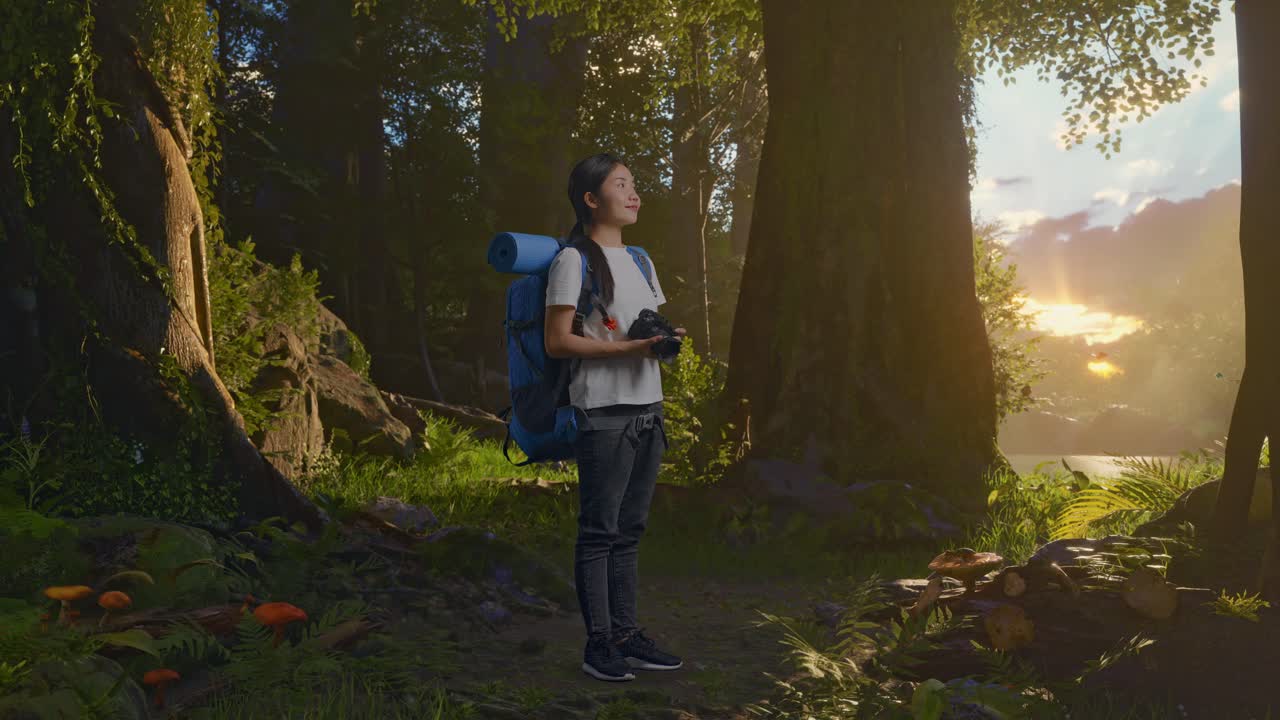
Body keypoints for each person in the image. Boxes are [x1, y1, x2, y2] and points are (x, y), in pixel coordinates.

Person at [544, 152, 686, 682]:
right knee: (600, 531)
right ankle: (598, 644)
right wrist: (629, 350)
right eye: (621, 184)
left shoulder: (641, 260)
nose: (634, 194)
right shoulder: (572, 262)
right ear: (590, 198)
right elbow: (558, 342)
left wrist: (663, 340)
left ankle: (627, 635)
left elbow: (643, 326)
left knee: (631, 530)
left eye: (634, 184)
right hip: (603, 411)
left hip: (648, 408)